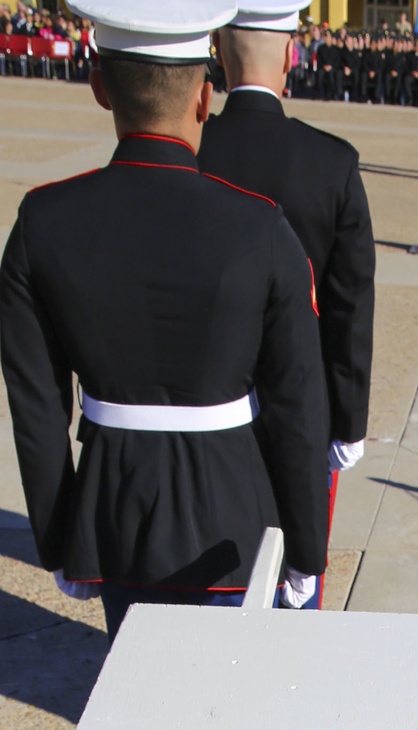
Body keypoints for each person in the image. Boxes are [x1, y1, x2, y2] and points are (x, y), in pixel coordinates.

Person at [0, 0, 329, 643]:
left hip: (113, 512)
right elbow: (298, 404)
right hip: (234, 514)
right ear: (205, 98)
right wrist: (306, 549)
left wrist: (61, 534)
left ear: (99, 86)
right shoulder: (260, 226)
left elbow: (37, 406)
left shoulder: (43, 222)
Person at [199, 0, 377, 608]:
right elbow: (349, 304)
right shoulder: (332, 162)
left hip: (207, 406)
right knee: (298, 587)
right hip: (306, 411)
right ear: (293, 56)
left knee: (212, 574)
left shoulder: (191, 150)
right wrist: (348, 422)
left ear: (218, 54)